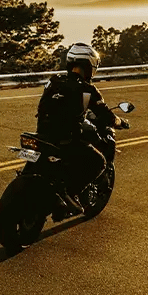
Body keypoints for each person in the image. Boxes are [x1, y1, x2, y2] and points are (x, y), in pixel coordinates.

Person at [36, 42, 129, 214]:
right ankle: (70, 193)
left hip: (43, 133)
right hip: (68, 139)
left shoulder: (53, 81)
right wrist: (120, 122)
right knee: (98, 161)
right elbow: (105, 115)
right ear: (89, 66)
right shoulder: (87, 89)